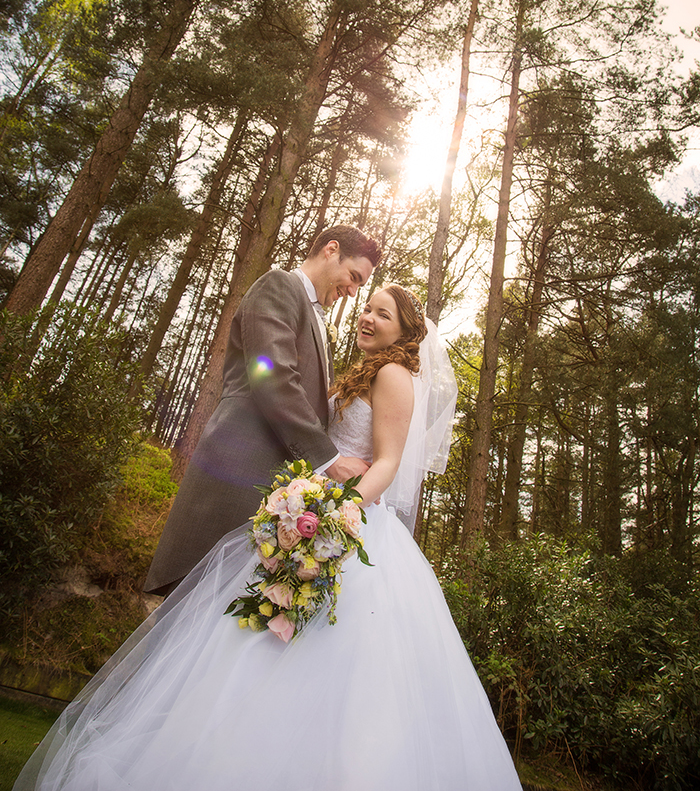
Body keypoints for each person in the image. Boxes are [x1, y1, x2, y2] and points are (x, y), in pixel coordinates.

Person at [14, 284, 523, 791]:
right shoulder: (361, 370)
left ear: (405, 331)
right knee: (264, 635)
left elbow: (386, 462)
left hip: (346, 525)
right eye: (366, 308)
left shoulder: (393, 374)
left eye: (382, 314)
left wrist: (336, 516)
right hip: (308, 516)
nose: (367, 317)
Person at [144, 224, 381, 595]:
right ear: (330, 250)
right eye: (353, 277)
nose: (353, 291)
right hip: (234, 472)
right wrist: (331, 461)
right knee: (183, 612)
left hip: (270, 497)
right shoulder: (279, 286)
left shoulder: (315, 314)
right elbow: (273, 378)